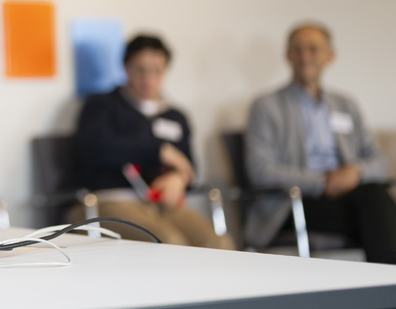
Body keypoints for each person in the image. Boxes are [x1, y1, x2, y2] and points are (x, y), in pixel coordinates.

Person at [244, 23, 396, 263]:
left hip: (349, 197)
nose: (305, 57)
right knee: (379, 213)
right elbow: (260, 171)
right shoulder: (266, 107)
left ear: (329, 56)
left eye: (313, 49)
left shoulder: (346, 105)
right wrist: (323, 182)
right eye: (297, 49)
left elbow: (379, 161)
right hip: (293, 202)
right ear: (288, 55)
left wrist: (355, 173)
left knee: (375, 200)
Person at [70, 35, 234, 249]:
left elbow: (188, 166)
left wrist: (179, 177)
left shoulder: (175, 116)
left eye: (156, 70)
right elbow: (96, 149)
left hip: (162, 203)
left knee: (219, 243)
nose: (148, 78)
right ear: (126, 68)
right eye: (140, 70)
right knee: (168, 242)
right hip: (109, 200)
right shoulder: (102, 106)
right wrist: (159, 151)